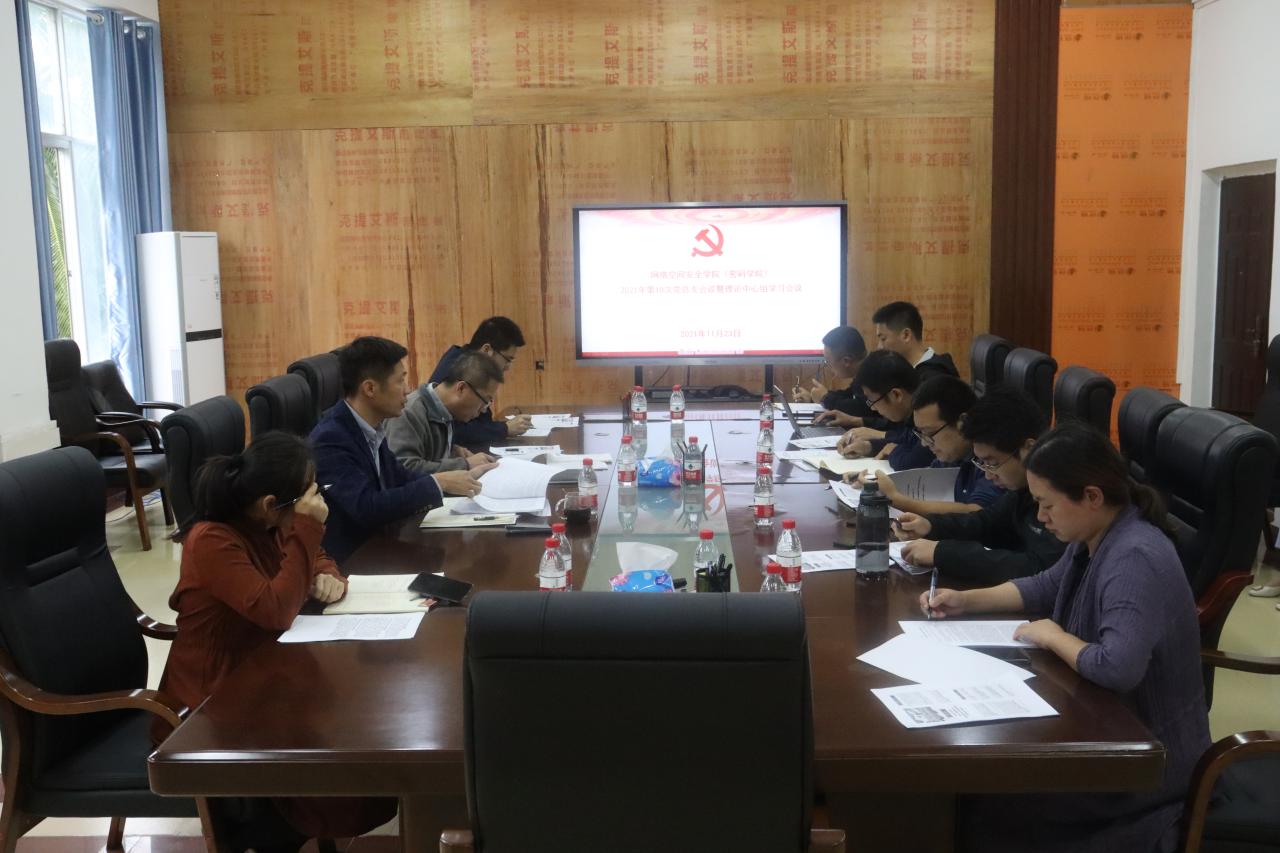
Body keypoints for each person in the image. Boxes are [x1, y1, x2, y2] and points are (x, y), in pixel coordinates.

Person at [923, 422, 1210, 853]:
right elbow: (1046, 586)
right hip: (1102, 724)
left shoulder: (1134, 556)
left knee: (987, 802)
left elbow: (1118, 666)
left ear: (1091, 496)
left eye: (1046, 504)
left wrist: (1053, 636)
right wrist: (965, 601)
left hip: (1145, 765)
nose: (1040, 517)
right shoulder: (1096, 533)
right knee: (976, 793)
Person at [155, 432, 396, 851]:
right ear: (271, 504)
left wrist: (328, 576)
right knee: (339, 763)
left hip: (267, 669)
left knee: (360, 726)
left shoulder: (267, 522)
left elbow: (316, 558)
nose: (318, 500)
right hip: (212, 698)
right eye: (309, 495)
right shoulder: (212, 540)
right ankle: (266, 831)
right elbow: (274, 610)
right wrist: (308, 527)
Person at [310, 336, 480, 563]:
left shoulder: (370, 426)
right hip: (352, 561)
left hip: (382, 544)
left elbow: (400, 476)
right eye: (400, 381)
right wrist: (438, 483)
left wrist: (449, 480)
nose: (407, 390)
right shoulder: (330, 438)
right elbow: (366, 507)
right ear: (370, 388)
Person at [895, 384, 1065, 583]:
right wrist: (931, 526)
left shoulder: (1063, 493)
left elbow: (1038, 568)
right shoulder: (1021, 489)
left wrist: (943, 554)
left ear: (1028, 449)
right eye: (981, 463)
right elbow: (987, 523)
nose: (988, 475)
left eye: (992, 463)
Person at [845, 375, 1003, 514]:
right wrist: (874, 483)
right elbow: (925, 478)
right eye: (921, 433)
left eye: (930, 433)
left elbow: (978, 513)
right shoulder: (951, 455)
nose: (924, 443)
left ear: (963, 423)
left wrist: (895, 499)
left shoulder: (992, 456)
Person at [387, 349, 503, 480]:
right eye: (485, 401)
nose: (483, 410)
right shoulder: (409, 412)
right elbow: (404, 469)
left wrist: (452, 451)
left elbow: (426, 454)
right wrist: (464, 464)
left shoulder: (444, 411)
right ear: (461, 388)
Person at [430, 316, 532, 445]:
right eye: (508, 359)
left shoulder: (472, 364)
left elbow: (482, 420)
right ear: (486, 350)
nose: (508, 367)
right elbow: (454, 431)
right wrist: (504, 429)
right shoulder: (457, 369)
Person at [834, 350, 936, 471]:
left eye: (872, 400)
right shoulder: (913, 412)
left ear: (896, 395)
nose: (872, 408)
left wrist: (894, 451)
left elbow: (911, 461)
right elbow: (906, 439)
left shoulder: (930, 412)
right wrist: (868, 447)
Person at [791, 326, 884, 430]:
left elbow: (862, 409)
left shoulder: (874, 373)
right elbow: (848, 395)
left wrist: (825, 398)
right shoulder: (864, 370)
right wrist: (815, 398)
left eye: (828, 361)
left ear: (846, 361)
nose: (828, 366)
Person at [871, 301, 959, 382]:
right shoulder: (905, 372)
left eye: (883, 339)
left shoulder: (935, 378)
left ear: (906, 335)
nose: (879, 347)